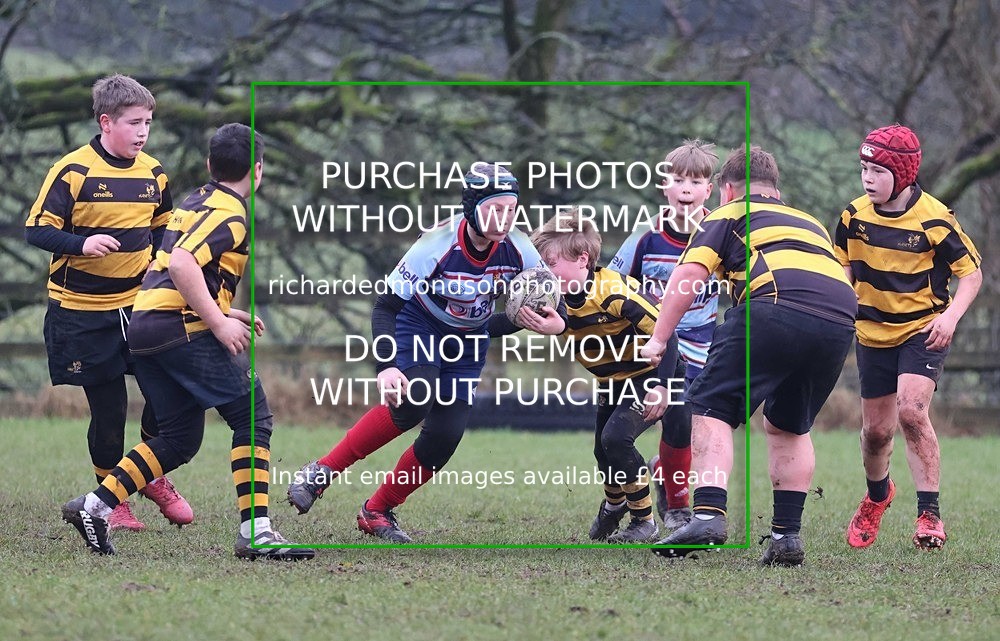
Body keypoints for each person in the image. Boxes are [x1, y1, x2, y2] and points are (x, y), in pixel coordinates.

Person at [61, 123, 314, 560]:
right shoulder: (231, 214)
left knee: (179, 438)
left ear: (210, 165)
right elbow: (181, 264)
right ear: (257, 172)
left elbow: (174, 268)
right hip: (181, 330)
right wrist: (217, 322)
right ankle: (256, 532)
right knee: (253, 418)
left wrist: (225, 310)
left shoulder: (195, 201)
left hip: (147, 325)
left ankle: (95, 506)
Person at [287, 162, 566, 543]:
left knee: (445, 436)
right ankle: (321, 472)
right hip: (419, 325)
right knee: (414, 400)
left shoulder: (518, 248)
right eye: (494, 209)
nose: (504, 219)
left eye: (511, 209)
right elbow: (385, 307)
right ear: (472, 207)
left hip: (467, 342)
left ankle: (377, 511)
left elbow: (548, 303)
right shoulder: (436, 244)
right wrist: (385, 366)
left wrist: (556, 323)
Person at [641, 146, 857, 566]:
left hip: (774, 305)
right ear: (776, 190)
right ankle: (786, 537)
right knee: (788, 426)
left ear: (727, 189)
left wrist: (659, 339)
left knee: (711, 405)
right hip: (838, 319)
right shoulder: (809, 221)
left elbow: (688, 276)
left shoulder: (726, 215)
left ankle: (706, 517)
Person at [25, 73, 192, 532]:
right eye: (135, 122)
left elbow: (164, 229)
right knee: (110, 407)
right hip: (81, 311)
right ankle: (111, 501)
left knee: (168, 388)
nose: (143, 132)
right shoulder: (72, 170)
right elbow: (36, 230)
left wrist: (165, 268)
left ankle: (148, 472)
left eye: (149, 123)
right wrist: (81, 245)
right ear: (106, 122)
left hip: (139, 306)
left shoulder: (154, 172)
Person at [836, 125, 982, 550]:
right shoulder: (852, 216)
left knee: (912, 411)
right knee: (876, 432)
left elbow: (971, 275)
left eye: (877, 170)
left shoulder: (936, 218)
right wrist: (842, 301)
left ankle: (929, 516)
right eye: (863, 168)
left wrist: (951, 318)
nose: (867, 178)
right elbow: (842, 265)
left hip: (923, 330)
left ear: (902, 175)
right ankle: (878, 496)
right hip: (871, 332)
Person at [530, 210, 680, 543]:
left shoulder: (613, 294)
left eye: (550, 264)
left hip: (650, 374)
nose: (544, 272)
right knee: (602, 450)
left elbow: (667, 335)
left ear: (582, 259)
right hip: (612, 381)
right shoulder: (554, 301)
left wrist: (662, 387)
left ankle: (644, 522)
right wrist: (470, 331)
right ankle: (614, 505)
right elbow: (511, 322)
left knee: (616, 439)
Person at [609, 140, 719, 532]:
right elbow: (614, 287)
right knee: (659, 419)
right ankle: (668, 495)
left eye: (696, 181)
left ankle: (675, 501)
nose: (686, 188)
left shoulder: (721, 233)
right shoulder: (645, 237)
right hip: (652, 346)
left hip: (700, 347)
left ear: (710, 189)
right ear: (665, 187)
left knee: (681, 420)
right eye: (678, 180)